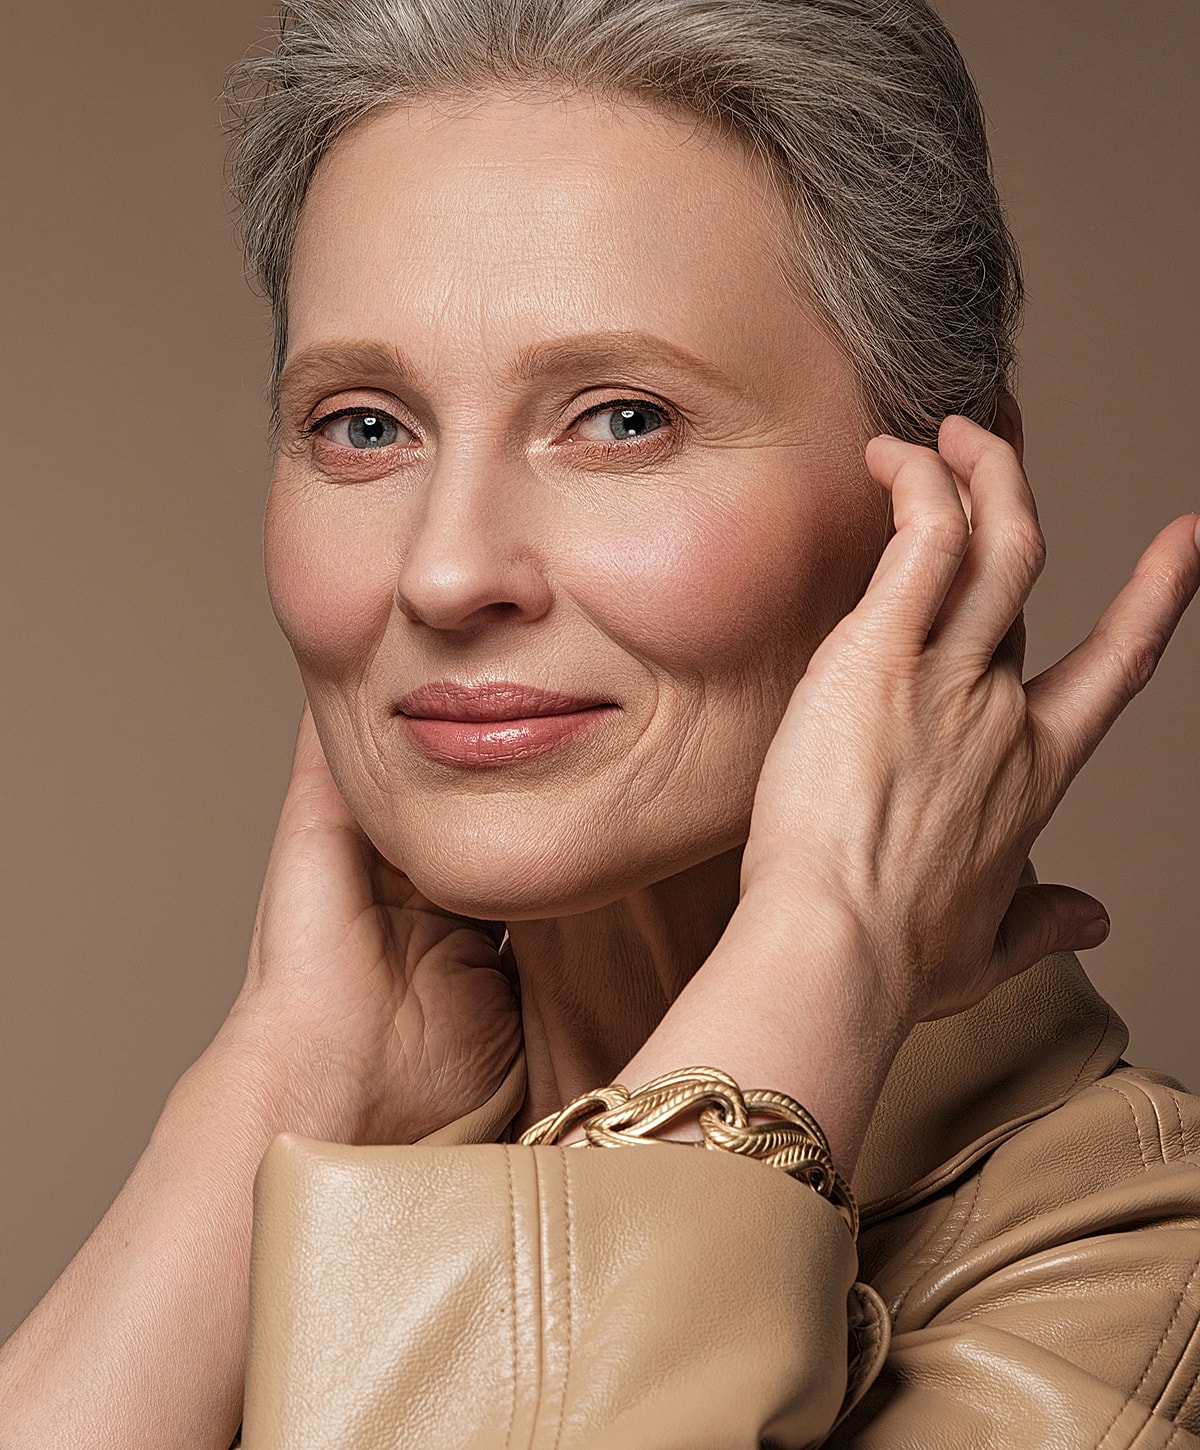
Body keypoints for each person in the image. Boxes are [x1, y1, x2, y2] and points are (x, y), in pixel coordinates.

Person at [2, 0, 1199, 1445]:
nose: (445, 570)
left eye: (624, 418)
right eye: (364, 424)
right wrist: (264, 1091)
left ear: (945, 502)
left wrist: (829, 936)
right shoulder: (332, 1136)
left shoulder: (1134, 1279)